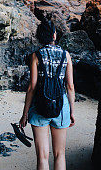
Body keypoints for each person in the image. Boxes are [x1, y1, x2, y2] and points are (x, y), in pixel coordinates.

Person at [19, 19, 75, 170]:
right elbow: (70, 86)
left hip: (39, 106)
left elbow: (32, 87)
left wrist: (25, 114)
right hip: (61, 106)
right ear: (54, 35)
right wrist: (71, 111)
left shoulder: (36, 56)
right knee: (60, 155)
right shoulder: (66, 55)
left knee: (42, 158)